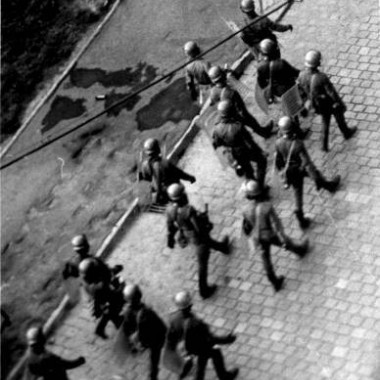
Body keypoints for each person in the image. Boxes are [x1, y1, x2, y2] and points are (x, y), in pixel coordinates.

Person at [241, 179, 309, 291]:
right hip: (269, 234)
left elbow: (248, 226)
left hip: (258, 237)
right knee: (284, 242)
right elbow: (276, 224)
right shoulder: (267, 206)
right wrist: (283, 237)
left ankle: (274, 281)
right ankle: (299, 250)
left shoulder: (245, 209)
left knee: (265, 258)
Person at [275, 116, 341, 228]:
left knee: (297, 192)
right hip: (300, 168)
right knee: (316, 175)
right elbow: (307, 163)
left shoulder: (278, 142)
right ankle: (327, 185)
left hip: (290, 171)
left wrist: (282, 174)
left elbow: (278, 161)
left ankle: (299, 214)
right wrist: (315, 178)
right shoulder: (298, 144)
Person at [166, 183, 230, 299]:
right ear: (182, 196)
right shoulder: (188, 210)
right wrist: (207, 225)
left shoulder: (170, 209)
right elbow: (199, 229)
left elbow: (170, 227)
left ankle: (223, 247)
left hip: (187, 234)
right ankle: (203, 290)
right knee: (202, 263)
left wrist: (170, 240)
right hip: (198, 239)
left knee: (209, 243)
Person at [167, 291, 239, 380]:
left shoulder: (172, 317)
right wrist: (227, 339)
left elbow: (172, 335)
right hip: (200, 346)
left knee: (202, 361)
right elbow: (211, 339)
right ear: (190, 305)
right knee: (215, 353)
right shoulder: (196, 323)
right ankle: (224, 376)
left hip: (188, 347)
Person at [297, 50, 357, 151]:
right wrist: (339, 103)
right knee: (338, 116)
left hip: (315, 105)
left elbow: (300, 91)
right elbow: (332, 93)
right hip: (327, 104)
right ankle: (346, 133)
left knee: (326, 121)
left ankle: (324, 146)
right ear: (317, 63)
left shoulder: (301, 75)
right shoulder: (321, 77)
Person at [201, 65, 273, 139]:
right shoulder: (231, 92)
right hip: (237, 114)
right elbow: (241, 109)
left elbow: (214, 103)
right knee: (252, 122)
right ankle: (264, 133)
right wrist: (246, 117)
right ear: (223, 76)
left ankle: (262, 132)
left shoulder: (213, 91)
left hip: (226, 115)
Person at [212, 99, 268, 190]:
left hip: (234, 154)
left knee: (248, 172)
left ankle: (252, 188)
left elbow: (216, 143)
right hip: (245, 150)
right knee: (262, 160)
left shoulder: (217, 128)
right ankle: (259, 186)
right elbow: (250, 142)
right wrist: (260, 151)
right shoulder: (237, 126)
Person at [121, 284, 167, 380]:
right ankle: (153, 376)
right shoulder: (147, 312)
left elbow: (126, 328)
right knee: (154, 360)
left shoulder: (126, 311)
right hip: (153, 340)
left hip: (142, 340)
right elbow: (161, 326)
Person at [140, 138, 196, 205]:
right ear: (158, 149)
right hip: (172, 191)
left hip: (158, 194)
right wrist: (191, 178)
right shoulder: (165, 163)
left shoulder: (144, 165)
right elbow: (179, 173)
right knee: (182, 200)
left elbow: (147, 178)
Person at [79, 258, 125, 339]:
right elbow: (113, 294)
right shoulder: (99, 286)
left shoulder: (86, 281)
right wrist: (121, 286)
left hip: (98, 301)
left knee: (107, 314)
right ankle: (123, 331)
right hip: (104, 301)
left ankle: (100, 329)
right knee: (113, 313)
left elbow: (106, 274)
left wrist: (115, 269)